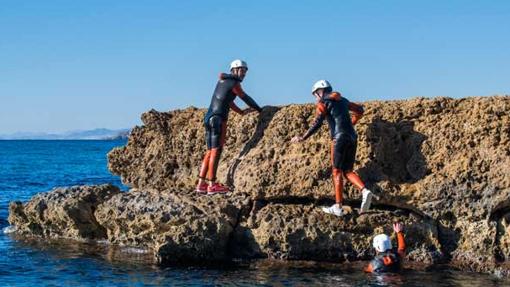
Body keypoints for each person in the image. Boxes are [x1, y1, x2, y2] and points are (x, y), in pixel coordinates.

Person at [291, 80, 375, 216]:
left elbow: (318, 122)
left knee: (336, 171)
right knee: (347, 171)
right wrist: (350, 124)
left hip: (338, 138)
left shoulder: (323, 102)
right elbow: (360, 110)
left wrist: (303, 137)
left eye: (315, 95)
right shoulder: (342, 100)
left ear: (320, 92)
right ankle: (365, 190)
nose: (315, 98)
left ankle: (338, 206)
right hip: (352, 137)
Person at [196, 59, 263, 195]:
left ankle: (201, 185)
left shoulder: (222, 82)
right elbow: (245, 98)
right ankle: (212, 185)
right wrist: (259, 109)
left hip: (209, 117)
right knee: (216, 150)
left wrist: (241, 112)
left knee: (209, 151)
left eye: (245, 71)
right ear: (234, 70)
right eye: (241, 70)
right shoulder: (234, 83)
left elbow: (228, 101)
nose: (243, 73)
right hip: (218, 118)